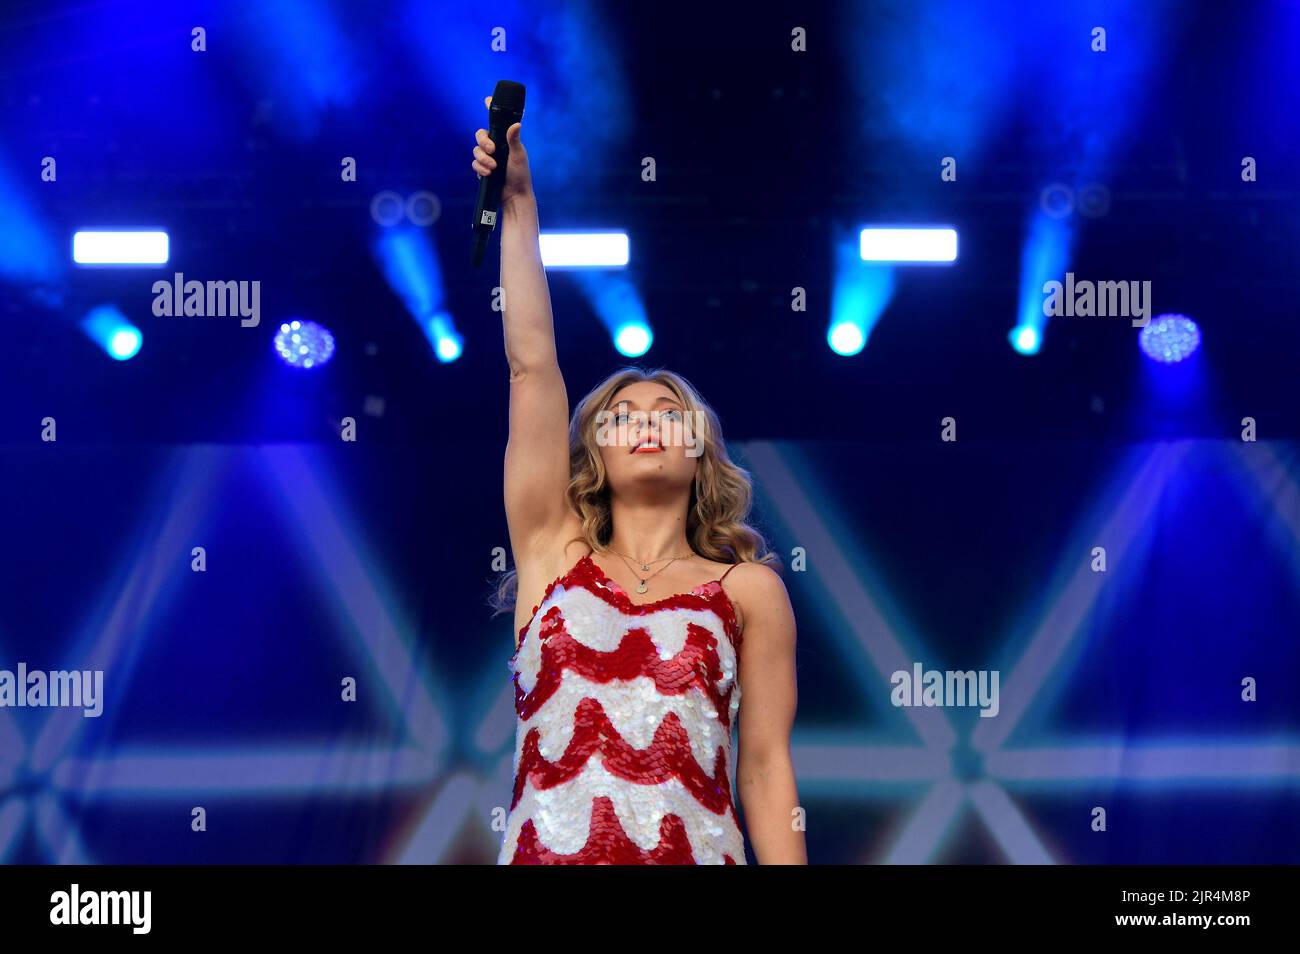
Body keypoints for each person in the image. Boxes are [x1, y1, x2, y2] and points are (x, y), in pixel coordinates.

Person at [475, 95, 805, 864]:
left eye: (669, 411)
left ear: (699, 452)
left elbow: (763, 768)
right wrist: (520, 205)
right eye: (622, 414)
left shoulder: (749, 590)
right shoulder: (553, 555)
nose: (648, 420)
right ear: (593, 457)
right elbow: (531, 368)